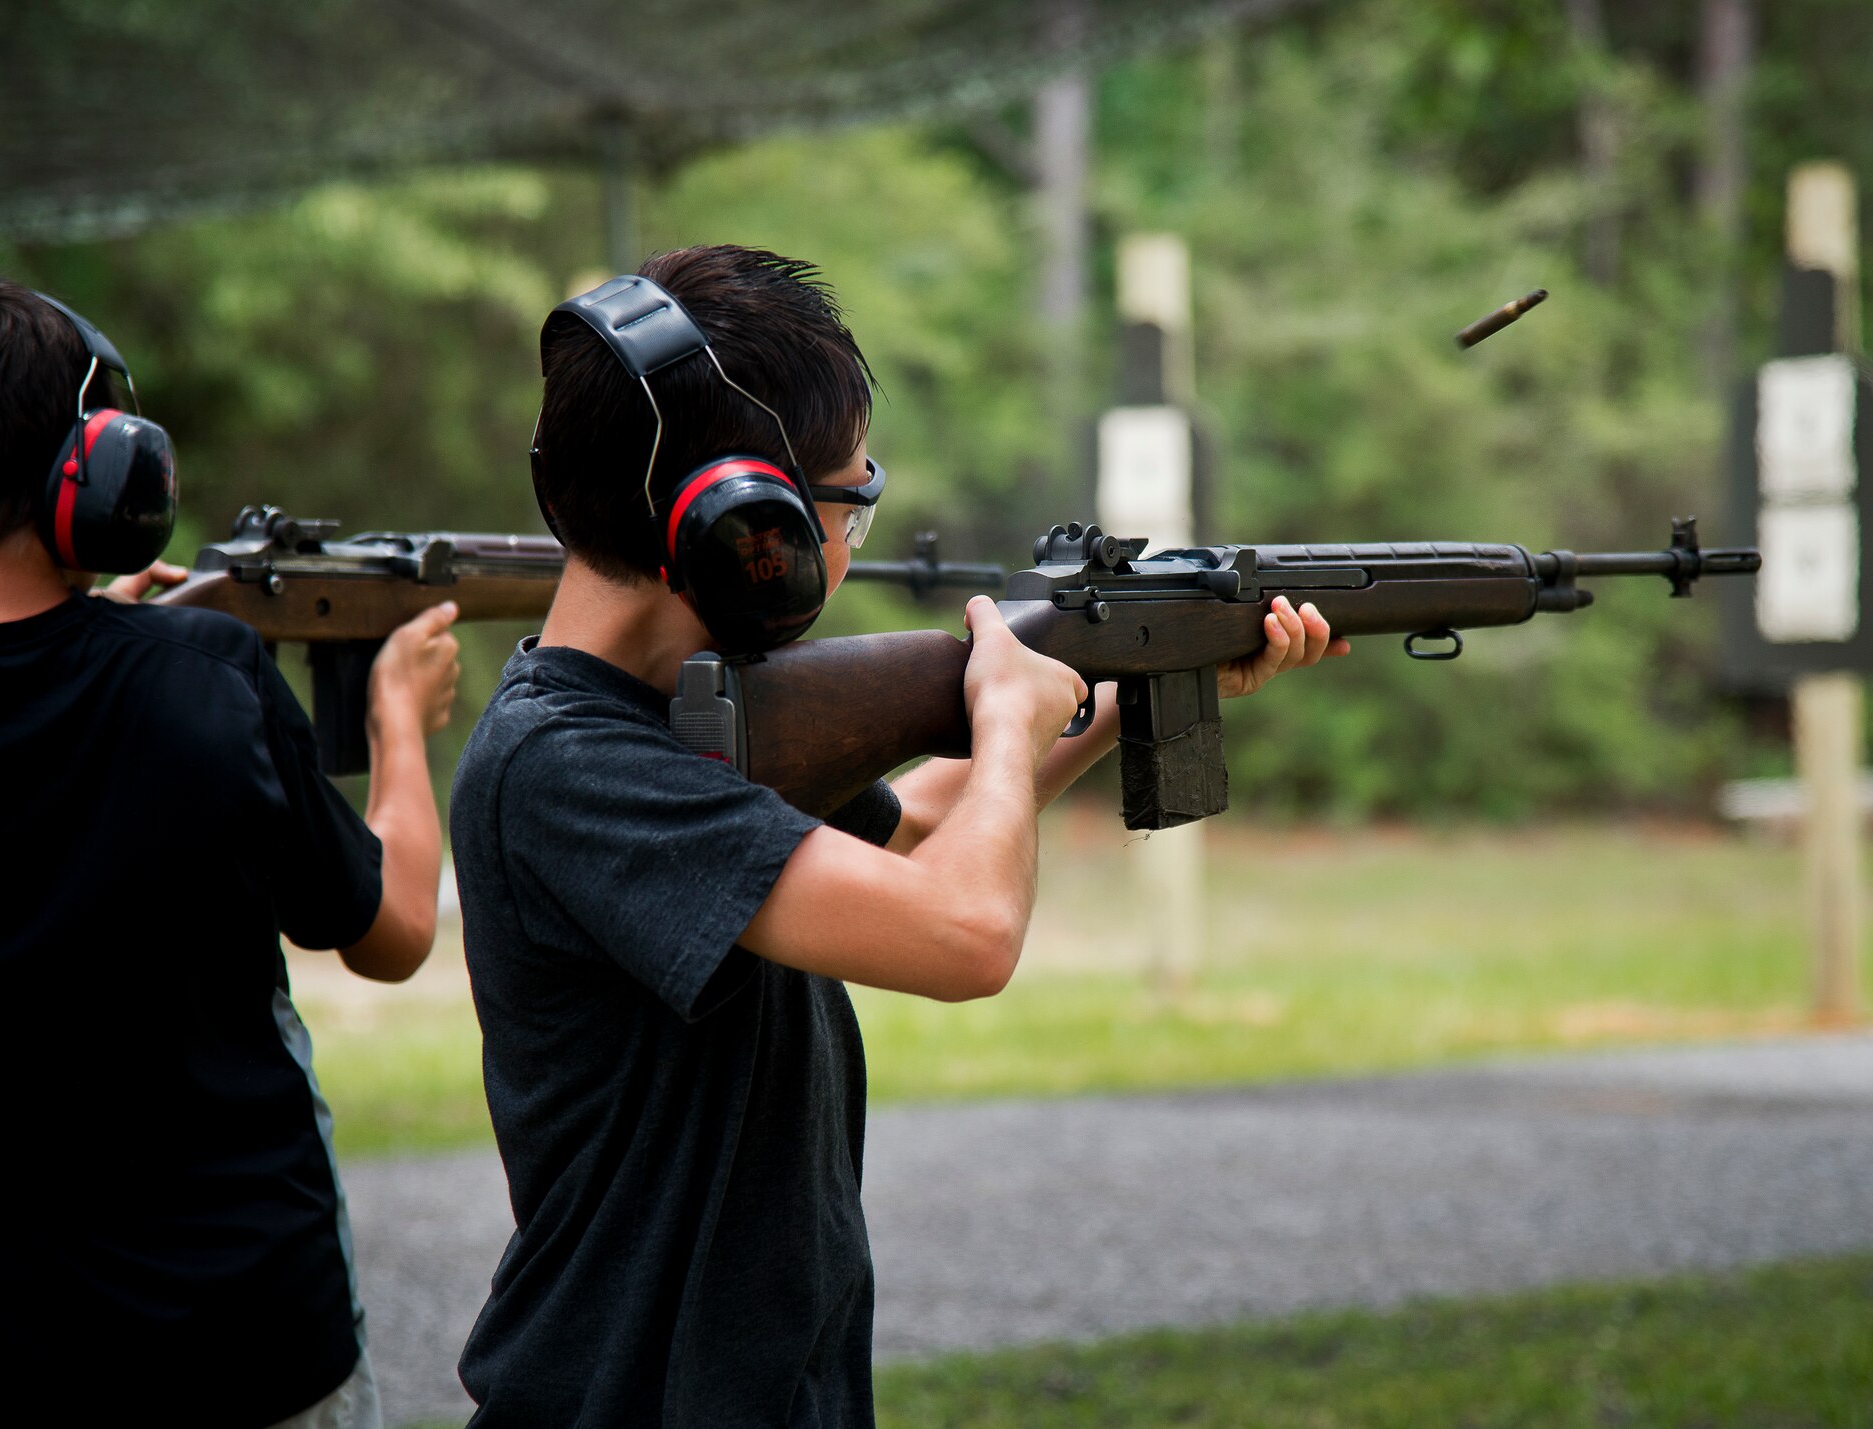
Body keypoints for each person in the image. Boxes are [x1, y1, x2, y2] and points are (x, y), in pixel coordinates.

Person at [451, 244, 1344, 1427]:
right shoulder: (571, 766)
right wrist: (1005, 717)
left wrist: (1125, 683)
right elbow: (963, 930)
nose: (851, 535)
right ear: (746, 524)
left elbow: (911, 836)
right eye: (849, 504)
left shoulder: (673, 724)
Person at [0, 274, 460, 1429]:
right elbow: (393, 933)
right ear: (97, 475)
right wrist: (397, 724)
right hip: (249, 1343)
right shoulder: (205, 681)